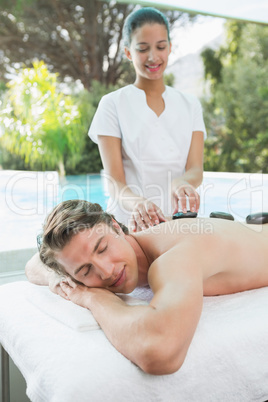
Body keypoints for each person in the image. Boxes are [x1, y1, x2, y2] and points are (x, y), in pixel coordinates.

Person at [25, 200, 268, 375]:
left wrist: (91, 297)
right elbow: (33, 264)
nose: (106, 271)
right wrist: (53, 277)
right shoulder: (142, 241)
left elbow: (160, 351)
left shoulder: (174, 257)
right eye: (85, 271)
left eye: (102, 248)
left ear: (116, 227)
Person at [88, 7, 206, 232]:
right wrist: (140, 204)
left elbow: (195, 170)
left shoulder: (190, 105)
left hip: (180, 224)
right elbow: (115, 183)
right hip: (130, 225)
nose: (153, 57)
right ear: (128, 52)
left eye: (161, 47)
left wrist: (181, 182)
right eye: (143, 49)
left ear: (170, 48)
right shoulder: (112, 104)